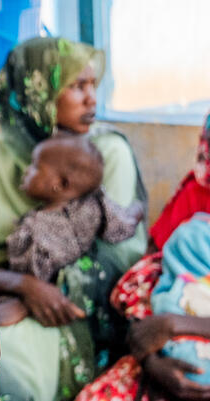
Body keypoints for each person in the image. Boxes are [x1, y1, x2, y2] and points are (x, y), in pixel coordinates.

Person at [0, 37, 148, 401]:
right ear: (37, 93)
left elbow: (120, 258)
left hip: (78, 312)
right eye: (76, 86)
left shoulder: (107, 152)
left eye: (92, 85)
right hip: (3, 295)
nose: (90, 98)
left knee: (2, 358)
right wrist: (21, 287)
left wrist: (51, 292)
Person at [75, 111, 210, 401]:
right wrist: (153, 362)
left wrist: (174, 324)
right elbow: (149, 285)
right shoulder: (195, 195)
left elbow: (166, 323)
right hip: (166, 353)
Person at [8, 136, 143, 284]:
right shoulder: (96, 206)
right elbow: (122, 224)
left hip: (51, 289)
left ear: (60, 183)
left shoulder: (32, 228)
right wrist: (136, 211)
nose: (27, 170)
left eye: (35, 166)